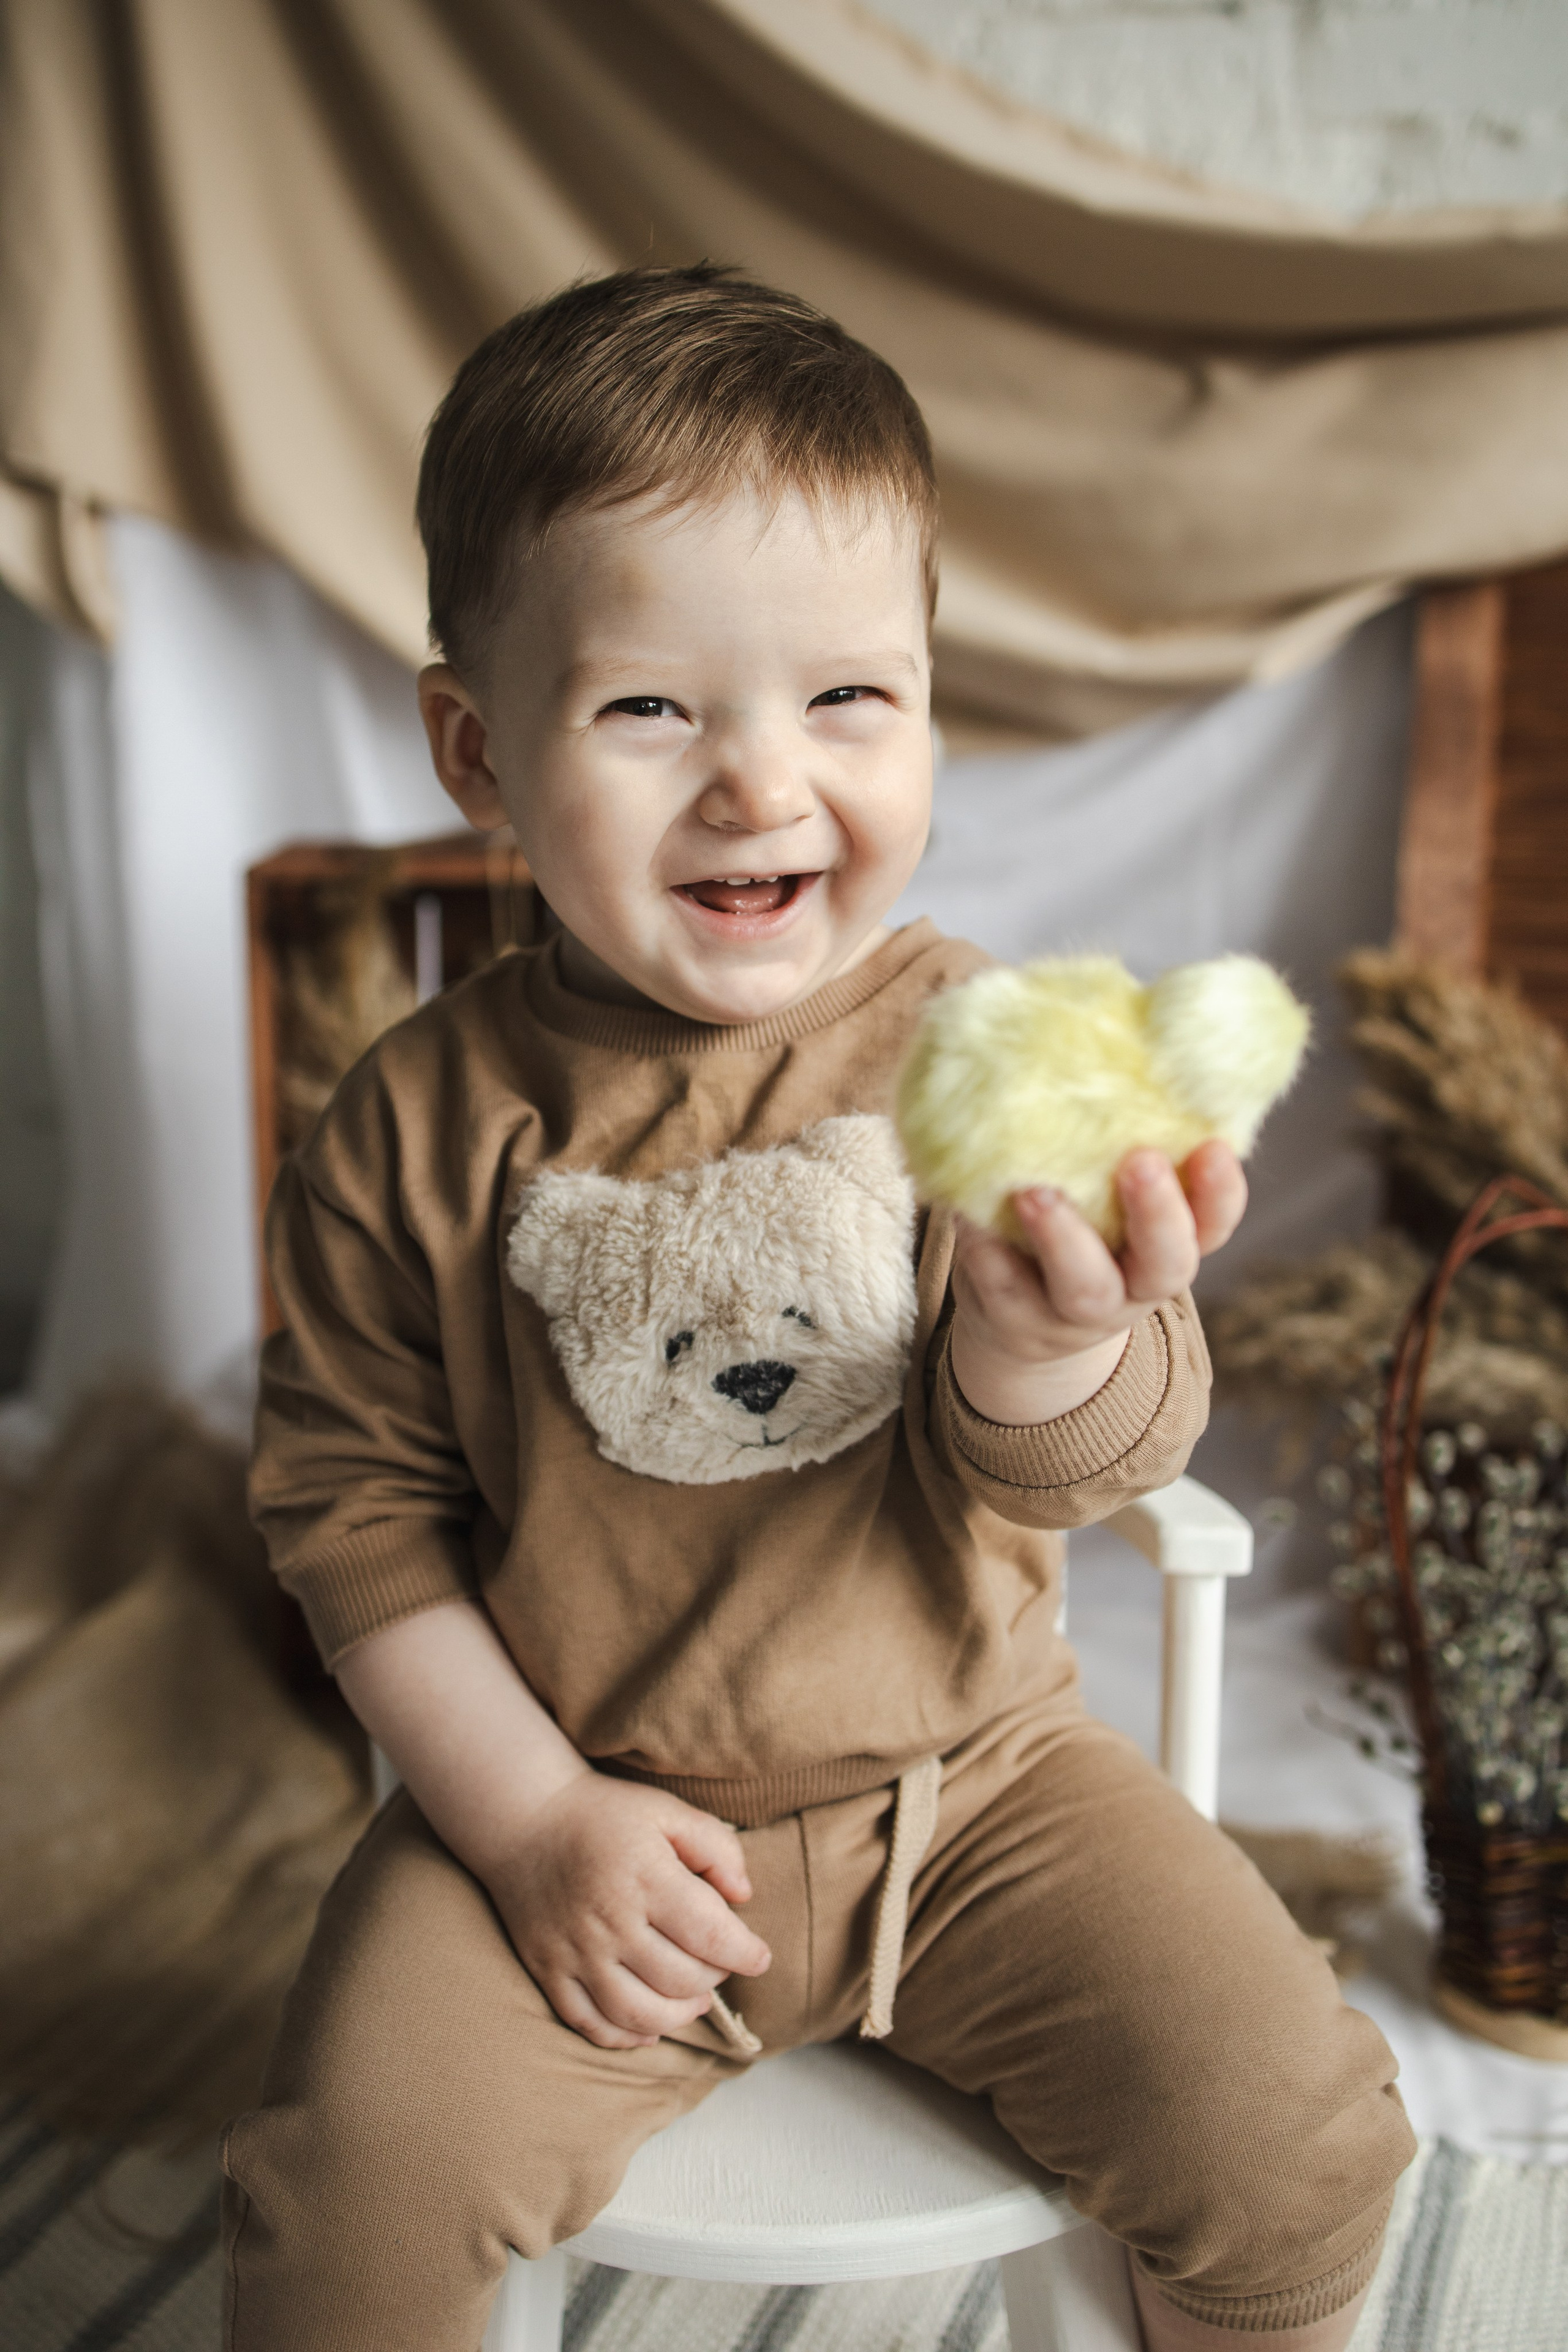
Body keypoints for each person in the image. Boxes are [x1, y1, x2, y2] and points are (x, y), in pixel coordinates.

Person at [224, 265, 1412, 2352]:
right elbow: (355, 1521)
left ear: (932, 707)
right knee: (347, 2195)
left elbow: (1099, 1448)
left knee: (1295, 2129)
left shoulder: (981, 1058)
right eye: (651, 708)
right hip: (582, 1802)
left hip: (982, 1799)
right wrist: (528, 1825)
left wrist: (1049, 1346)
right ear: (476, 750)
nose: (761, 786)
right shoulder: (414, 1123)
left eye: (847, 699)